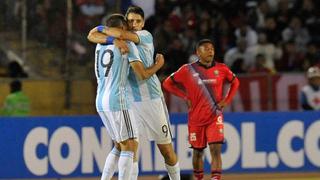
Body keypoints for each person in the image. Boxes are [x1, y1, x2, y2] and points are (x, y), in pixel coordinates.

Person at [87, 5, 180, 180]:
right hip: (127, 99)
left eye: (138, 21)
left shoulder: (143, 36)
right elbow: (142, 73)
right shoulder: (124, 43)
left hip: (150, 98)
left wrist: (104, 30)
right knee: (129, 148)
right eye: (130, 21)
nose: (134, 24)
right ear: (125, 24)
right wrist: (159, 65)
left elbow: (93, 35)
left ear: (143, 23)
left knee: (166, 150)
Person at [163, 39, 240, 180]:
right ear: (198, 52)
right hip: (196, 119)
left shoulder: (221, 68)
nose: (210, 51)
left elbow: (235, 82)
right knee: (198, 152)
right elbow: (167, 83)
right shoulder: (187, 69)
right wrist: (185, 97)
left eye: (212, 48)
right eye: (206, 49)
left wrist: (226, 101)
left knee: (215, 150)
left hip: (214, 116)